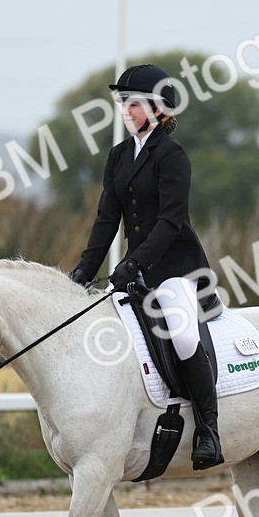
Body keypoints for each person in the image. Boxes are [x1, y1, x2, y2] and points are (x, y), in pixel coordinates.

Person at [69, 64, 225, 471]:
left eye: (133, 103)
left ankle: (209, 429)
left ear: (158, 109)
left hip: (175, 270)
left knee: (183, 334)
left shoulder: (173, 156)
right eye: (123, 103)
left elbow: (170, 222)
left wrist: (133, 262)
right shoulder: (119, 156)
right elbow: (107, 220)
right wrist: (84, 271)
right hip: (135, 271)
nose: (126, 110)